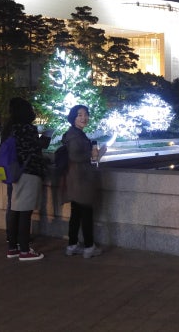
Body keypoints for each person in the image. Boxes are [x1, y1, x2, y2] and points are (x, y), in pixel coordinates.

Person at [4, 97, 50, 261]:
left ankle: (13, 248)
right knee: (25, 212)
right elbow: (34, 149)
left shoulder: (11, 128)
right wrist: (46, 137)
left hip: (15, 172)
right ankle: (25, 251)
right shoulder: (27, 129)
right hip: (29, 172)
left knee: (15, 209)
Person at [61, 105, 105, 259]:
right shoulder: (75, 136)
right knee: (86, 213)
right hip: (81, 179)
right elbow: (75, 155)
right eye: (79, 115)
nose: (84, 118)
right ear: (73, 117)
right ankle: (89, 247)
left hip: (75, 178)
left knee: (76, 213)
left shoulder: (75, 133)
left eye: (86, 114)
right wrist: (93, 155)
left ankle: (72, 245)